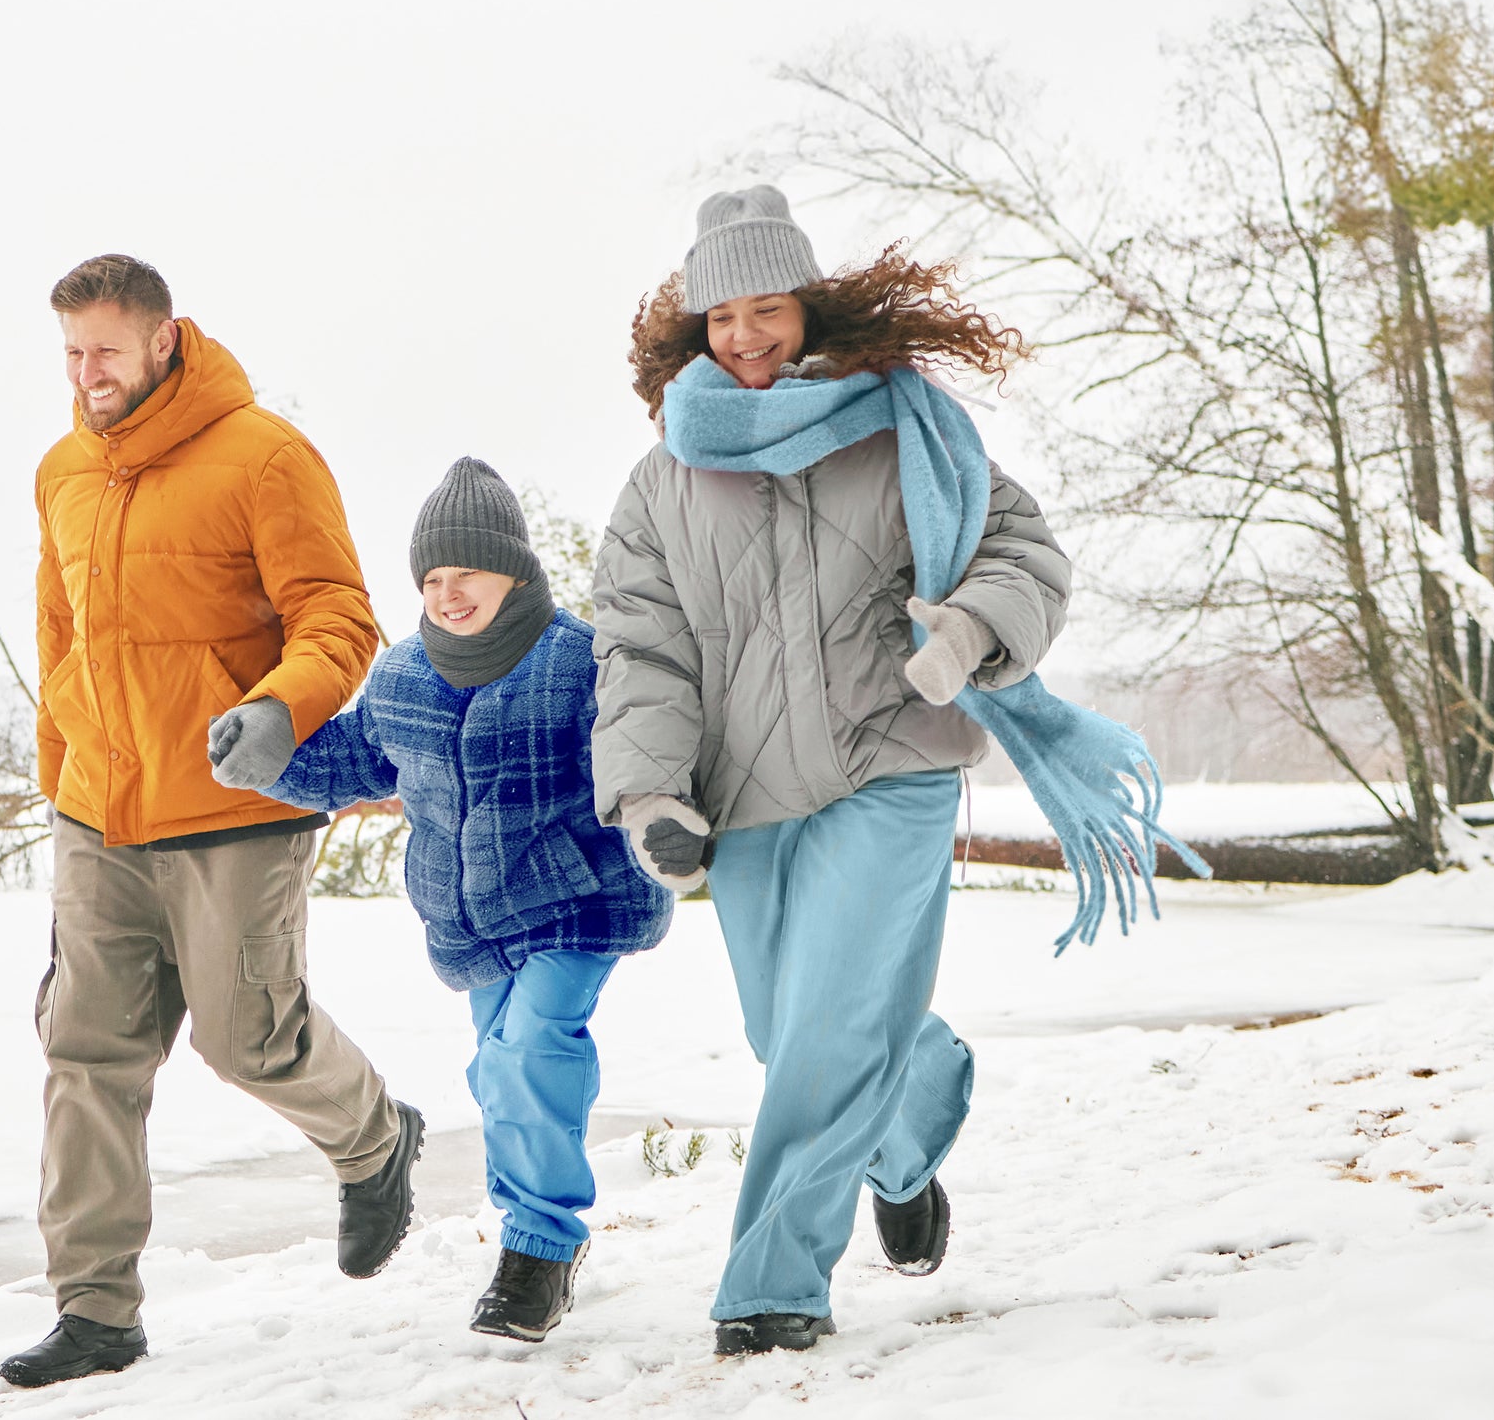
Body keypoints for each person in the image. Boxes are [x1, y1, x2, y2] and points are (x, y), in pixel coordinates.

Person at [589, 187, 1189, 1357]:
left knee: (824, 1031)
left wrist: (970, 629)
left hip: (894, 761)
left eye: (769, 308)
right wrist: (652, 790)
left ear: (811, 307)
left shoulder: (903, 423)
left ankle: (772, 1285)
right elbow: (641, 649)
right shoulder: (663, 477)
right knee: (792, 1031)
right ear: (695, 325)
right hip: (747, 791)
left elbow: (1020, 546)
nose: (746, 335)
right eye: (723, 315)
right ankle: (909, 1134)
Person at [0, 254, 425, 1389]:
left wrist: (280, 708)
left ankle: (377, 1137)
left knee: (249, 1039)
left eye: (105, 350)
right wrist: (60, 776)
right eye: (71, 353)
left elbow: (337, 616)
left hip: (236, 807)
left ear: (164, 338)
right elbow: (60, 638)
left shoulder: (265, 456)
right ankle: (95, 1311)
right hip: (99, 816)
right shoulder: (63, 472)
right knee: (85, 1051)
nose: (86, 374)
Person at [250, 456, 672, 1343]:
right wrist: (270, 757)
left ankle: (539, 1248)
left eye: (467, 573)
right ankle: (529, 1230)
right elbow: (355, 760)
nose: (448, 594)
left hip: (577, 901)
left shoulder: (579, 661)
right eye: (432, 578)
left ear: (513, 570)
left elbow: (641, 754)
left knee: (532, 1048)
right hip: (471, 919)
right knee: (498, 1073)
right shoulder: (404, 675)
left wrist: (670, 815)